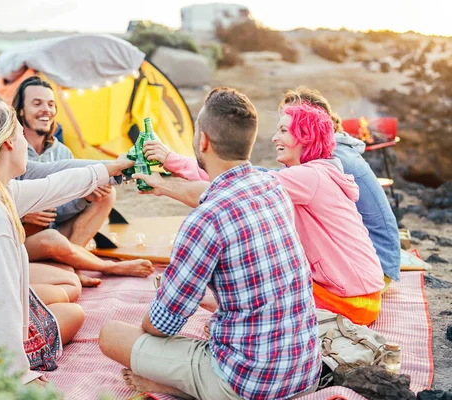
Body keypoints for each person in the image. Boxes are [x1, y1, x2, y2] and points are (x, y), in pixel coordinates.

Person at [98, 88, 321, 400]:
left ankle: (182, 386)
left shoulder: (205, 221)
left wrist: (168, 299)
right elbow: (213, 191)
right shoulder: (272, 185)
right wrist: (164, 186)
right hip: (304, 372)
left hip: (248, 386)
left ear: (203, 141)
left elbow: (163, 325)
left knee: (111, 335)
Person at [0, 101, 133, 385]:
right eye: (22, 136)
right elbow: (3, 303)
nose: (25, 143)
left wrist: (110, 169)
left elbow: (54, 185)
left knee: (65, 296)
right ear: (9, 144)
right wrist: (20, 374)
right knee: (73, 313)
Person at [139, 102, 385, 325]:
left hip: (352, 301)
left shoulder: (310, 177)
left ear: (306, 137)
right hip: (354, 290)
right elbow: (234, 178)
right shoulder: (312, 174)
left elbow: (234, 184)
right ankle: (203, 298)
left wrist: (165, 180)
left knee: (258, 292)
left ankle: (197, 298)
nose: (274, 137)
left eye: (284, 131)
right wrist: (171, 167)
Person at [12, 76, 154, 286]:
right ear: (21, 110)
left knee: (105, 195)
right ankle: (108, 267)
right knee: (51, 238)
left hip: (56, 232)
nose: (46, 110)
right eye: (37, 103)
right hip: (25, 240)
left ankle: (72, 266)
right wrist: (23, 214)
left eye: (51, 104)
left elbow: (59, 212)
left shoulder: (62, 152)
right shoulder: (12, 151)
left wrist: (85, 198)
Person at [280, 87, 400, 286]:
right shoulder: (331, 149)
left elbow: (274, 184)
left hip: (377, 266)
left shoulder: (334, 155)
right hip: (374, 263)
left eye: (290, 121)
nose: (282, 130)